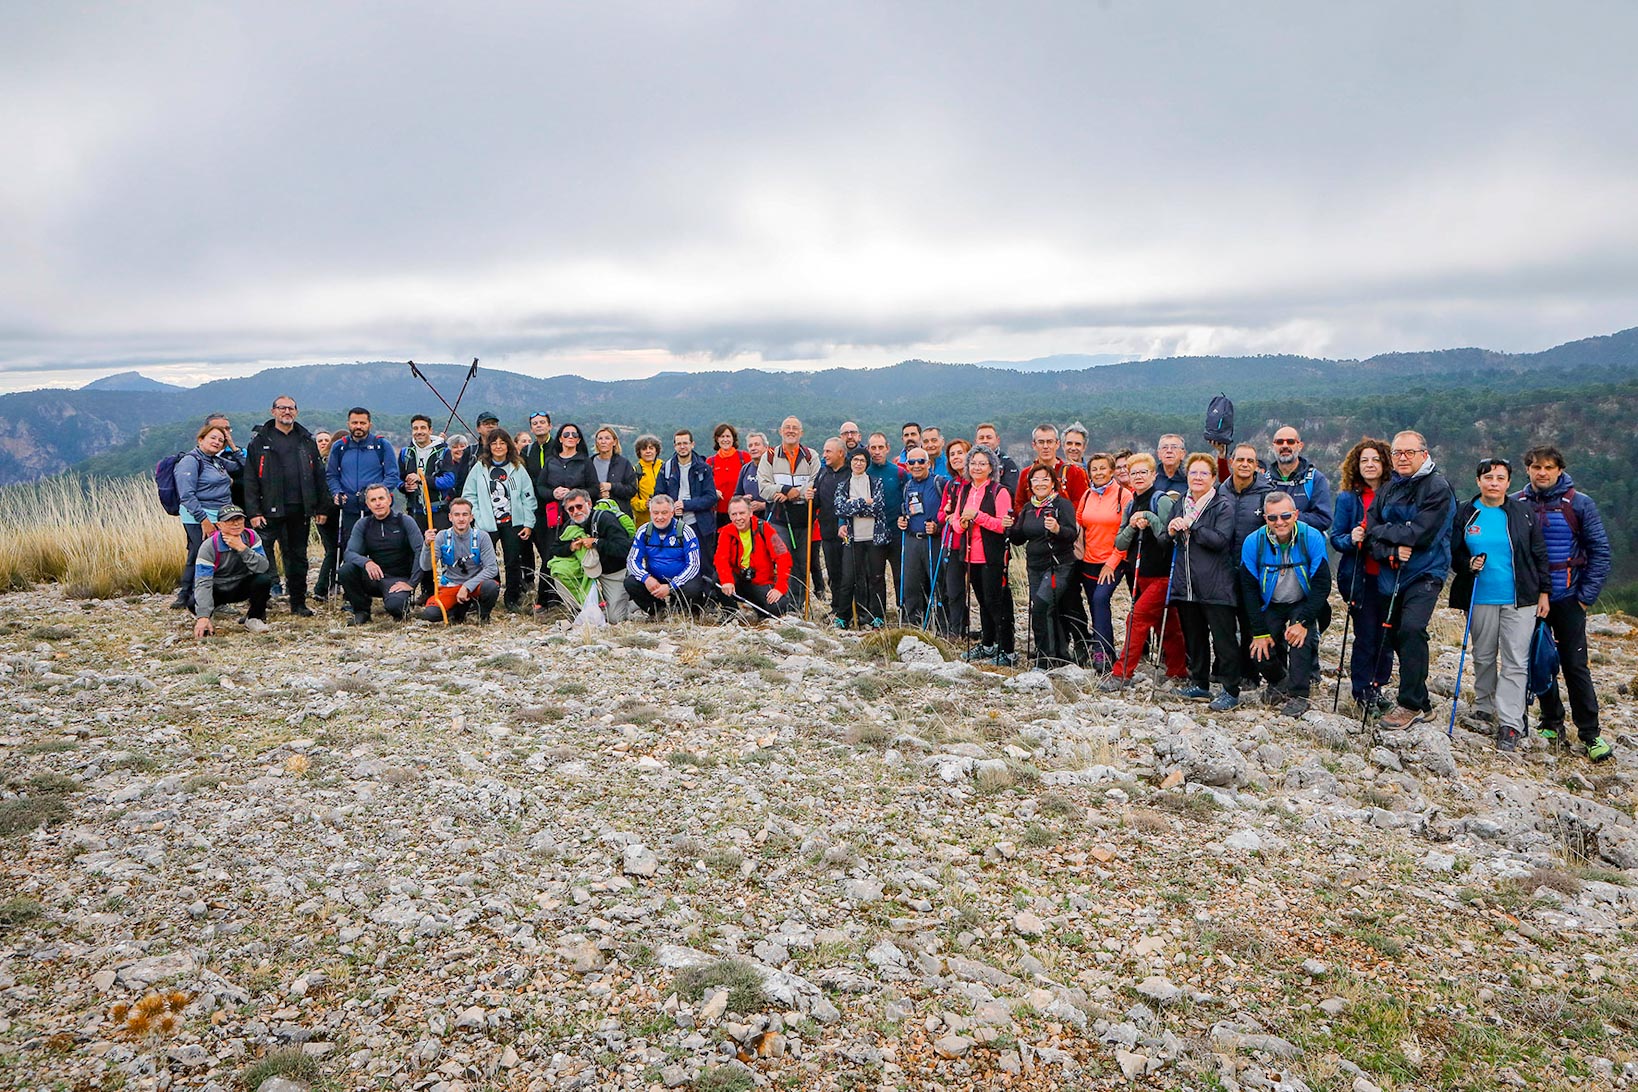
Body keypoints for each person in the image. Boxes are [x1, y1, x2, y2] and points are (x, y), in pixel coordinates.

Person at [1515, 445, 1615, 761]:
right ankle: (1551, 721)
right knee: (1539, 659)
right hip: (1530, 598)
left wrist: (1585, 599)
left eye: (1548, 467)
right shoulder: (1516, 503)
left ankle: (1590, 734)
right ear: (1527, 470)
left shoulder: (1579, 504)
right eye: (1535, 467)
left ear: (1559, 469)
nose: (1541, 472)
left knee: (1575, 666)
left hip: (1569, 597)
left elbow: (1600, 552)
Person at [1449, 458, 1550, 750]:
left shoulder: (1522, 512)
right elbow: (1454, 553)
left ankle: (1510, 722)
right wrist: (1468, 564)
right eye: (1488, 477)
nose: (1494, 482)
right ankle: (1484, 705)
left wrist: (1545, 592)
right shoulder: (1466, 512)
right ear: (1478, 481)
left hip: (1521, 598)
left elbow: (1538, 554)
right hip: (1480, 594)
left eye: (1500, 478)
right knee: (1483, 654)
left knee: (1515, 660)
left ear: (1508, 483)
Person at [1366, 430, 1456, 729]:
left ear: (1424, 455)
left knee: (1412, 629)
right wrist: (1390, 546)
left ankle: (1409, 704)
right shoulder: (1390, 488)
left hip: (1426, 571)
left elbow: (1421, 534)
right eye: (1397, 453)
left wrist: (1387, 531)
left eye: (1409, 453)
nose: (1402, 458)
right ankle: (1423, 700)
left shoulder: (1437, 487)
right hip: (1392, 574)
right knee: (1393, 636)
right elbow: (1370, 530)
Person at [1240, 492, 1333, 717]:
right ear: (1265, 518)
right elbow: (1248, 589)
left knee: (1300, 640)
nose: (1279, 522)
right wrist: (1259, 632)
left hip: (1302, 600)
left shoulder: (1311, 537)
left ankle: (1299, 695)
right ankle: (1279, 681)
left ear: (1296, 515)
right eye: (1272, 518)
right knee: (1258, 648)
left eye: (1285, 516)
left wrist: (1303, 622)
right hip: (1271, 602)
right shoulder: (1254, 542)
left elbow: (1321, 584)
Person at [1161, 453, 1241, 710]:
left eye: (1204, 473)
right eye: (1193, 473)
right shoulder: (1181, 503)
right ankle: (1200, 685)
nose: (1197, 478)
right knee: (1194, 637)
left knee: (1223, 639)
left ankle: (1231, 690)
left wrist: (1192, 526)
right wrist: (1171, 530)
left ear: (1214, 478)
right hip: (1187, 586)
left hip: (1216, 585)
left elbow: (1220, 540)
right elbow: (1165, 539)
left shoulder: (1222, 505)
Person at [1102, 453, 1186, 687]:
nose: (1138, 477)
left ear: (1153, 475)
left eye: (1143, 472)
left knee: (1136, 618)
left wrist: (1149, 518)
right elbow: (1119, 543)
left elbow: (1168, 538)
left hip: (1162, 574)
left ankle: (1121, 674)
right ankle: (1179, 669)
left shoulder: (1161, 501)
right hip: (1142, 574)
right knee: (1166, 625)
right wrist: (1131, 525)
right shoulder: (1130, 504)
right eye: (1134, 473)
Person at [241, 396, 328, 618]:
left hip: (300, 509)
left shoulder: (306, 440)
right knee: (261, 557)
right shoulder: (259, 441)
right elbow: (250, 479)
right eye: (282, 408)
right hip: (268, 509)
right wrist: (253, 512)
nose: (286, 411)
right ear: (273, 411)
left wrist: (321, 508)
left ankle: (298, 602)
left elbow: (319, 476)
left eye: (290, 408)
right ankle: (259, 603)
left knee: (298, 557)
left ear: (296, 412)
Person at [1329, 438, 1395, 712]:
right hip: (1361, 577)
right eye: (1364, 460)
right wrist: (1351, 537)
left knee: (1386, 636)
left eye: (1375, 460)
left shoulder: (1395, 495)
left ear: (1385, 464)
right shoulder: (1348, 498)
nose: (1369, 465)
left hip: (1390, 576)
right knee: (1366, 634)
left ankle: (1379, 684)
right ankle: (1361, 689)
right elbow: (1336, 538)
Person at [949, 447, 1015, 664]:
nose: (977, 467)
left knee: (996, 603)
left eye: (982, 464)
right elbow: (957, 525)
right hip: (970, 555)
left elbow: (1002, 526)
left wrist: (978, 516)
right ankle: (987, 644)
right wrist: (963, 522)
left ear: (991, 468)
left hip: (992, 556)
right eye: (973, 463)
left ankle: (1007, 650)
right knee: (982, 602)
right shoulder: (965, 490)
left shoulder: (999, 491)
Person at [1010, 464, 1079, 667]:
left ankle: (1044, 660)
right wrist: (1009, 528)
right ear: (1030, 484)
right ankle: (1058, 654)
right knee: (1047, 609)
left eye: (1045, 479)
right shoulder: (1028, 508)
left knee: (1041, 607)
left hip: (1059, 565)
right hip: (1034, 566)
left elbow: (1071, 534)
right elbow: (1018, 539)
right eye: (1035, 480)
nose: (1040, 483)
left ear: (1053, 482)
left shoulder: (1062, 505)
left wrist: (1058, 529)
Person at [1217, 442, 1275, 685]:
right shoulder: (1220, 491)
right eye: (1240, 460)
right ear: (1231, 462)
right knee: (1223, 623)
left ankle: (1251, 673)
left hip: (1253, 570)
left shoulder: (1266, 493)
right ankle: (1224, 669)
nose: (1244, 465)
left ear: (1256, 466)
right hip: (1223, 568)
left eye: (1250, 461)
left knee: (1250, 622)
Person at [461, 427, 537, 612]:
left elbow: (528, 497)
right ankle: (488, 597)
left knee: (512, 561)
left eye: (502, 443)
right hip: (487, 523)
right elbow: (469, 494)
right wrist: (477, 516)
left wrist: (528, 523)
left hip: (513, 522)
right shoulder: (480, 467)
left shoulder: (517, 467)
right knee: (486, 562)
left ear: (508, 445)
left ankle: (512, 599)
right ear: (489, 446)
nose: (498, 446)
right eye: (494, 443)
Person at [171, 423, 240, 611]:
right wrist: (204, 521)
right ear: (200, 439)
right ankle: (201, 601)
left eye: (221, 440)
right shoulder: (190, 461)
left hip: (218, 515)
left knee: (205, 556)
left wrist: (233, 447)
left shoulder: (215, 461)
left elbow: (241, 466)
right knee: (204, 557)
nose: (217, 442)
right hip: (199, 517)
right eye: (213, 438)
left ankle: (193, 597)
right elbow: (186, 495)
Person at [532, 422, 598, 607]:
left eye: (574, 435)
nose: (570, 437)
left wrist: (574, 493)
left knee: (576, 552)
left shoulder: (585, 462)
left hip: (577, 518)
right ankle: (545, 599)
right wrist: (553, 493)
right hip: (553, 517)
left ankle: (579, 598)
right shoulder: (552, 462)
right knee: (549, 555)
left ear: (578, 440)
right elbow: (540, 487)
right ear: (560, 438)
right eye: (566, 434)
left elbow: (594, 489)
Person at [340, 484, 427, 624]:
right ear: (368, 504)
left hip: (398, 579)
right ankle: (361, 611)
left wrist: (412, 583)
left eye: (381, 498)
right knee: (346, 569)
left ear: (389, 500)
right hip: (374, 577)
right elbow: (349, 553)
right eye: (373, 500)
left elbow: (421, 552)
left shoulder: (404, 521)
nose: (378, 503)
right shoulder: (363, 524)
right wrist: (366, 562)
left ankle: (400, 603)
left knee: (396, 609)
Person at [1077, 452, 1132, 671]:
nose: (1098, 473)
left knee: (1100, 599)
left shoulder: (1123, 495)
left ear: (1111, 471)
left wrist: (1113, 561)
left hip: (1114, 560)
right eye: (1094, 469)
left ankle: (1101, 653)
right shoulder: (1087, 495)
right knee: (1094, 604)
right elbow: (1079, 521)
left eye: (1103, 468)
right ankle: (1106, 649)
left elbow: (1128, 531)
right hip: (1089, 559)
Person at [758, 417, 822, 603]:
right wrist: (784, 490)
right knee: (783, 559)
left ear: (801, 433)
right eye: (787, 428)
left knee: (803, 563)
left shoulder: (812, 456)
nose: (791, 431)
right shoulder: (769, 457)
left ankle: (799, 603)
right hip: (779, 518)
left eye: (795, 428)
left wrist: (794, 494)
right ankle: (783, 601)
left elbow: (815, 485)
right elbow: (763, 487)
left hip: (804, 519)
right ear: (780, 431)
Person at [547, 488, 634, 621]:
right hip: (587, 573)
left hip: (613, 572)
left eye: (579, 506)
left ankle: (634, 603)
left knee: (616, 618)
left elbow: (624, 548)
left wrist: (596, 542)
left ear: (589, 504)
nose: (576, 511)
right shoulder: (570, 525)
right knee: (559, 571)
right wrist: (570, 547)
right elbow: (554, 549)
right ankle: (579, 610)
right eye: (571, 509)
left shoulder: (605, 519)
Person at [191, 504, 273, 638]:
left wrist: (242, 548)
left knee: (263, 580)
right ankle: (207, 618)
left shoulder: (252, 537)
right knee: (192, 601)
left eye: (239, 519)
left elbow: (263, 567)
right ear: (219, 525)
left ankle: (254, 618)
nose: (236, 524)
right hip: (217, 589)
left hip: (241, 586)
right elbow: (203, 581)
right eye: (230, 520)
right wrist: (203, 615)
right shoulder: (208, 546)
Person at [624, 495, 712, 617]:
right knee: (630, 582)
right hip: (655, 579)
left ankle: (685, 611)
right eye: (655, 513)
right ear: (650, 512)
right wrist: (646, 578)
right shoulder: (643, 531)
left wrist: (671, 587)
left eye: (664, 513)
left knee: (693, 588)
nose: (660, 517)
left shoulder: (685, 531)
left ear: (672, 513)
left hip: (681, 580)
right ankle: (658, 611)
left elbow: (694, 565)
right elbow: (632, 561)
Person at [326, 407, 400, 550]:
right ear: (348, 424)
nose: (358, 426)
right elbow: (332, 475)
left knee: (378, 547)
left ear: (369, 425)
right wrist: (337, 492)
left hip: (376, 509)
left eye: (362, 423)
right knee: (351, 547)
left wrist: (377, 494)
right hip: (349, 508)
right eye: (354, 423)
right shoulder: (340, 446)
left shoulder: (382, 445)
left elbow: (392, 475)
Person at [419, 497, 501, 624]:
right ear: (450, 517)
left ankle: (483, 616)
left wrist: (467, 587)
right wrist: (426, 545)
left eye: (465, 514)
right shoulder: (441, 536)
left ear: (471, 517)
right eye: (456, 515)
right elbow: (426, 566)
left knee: (491, 587)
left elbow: (492, 568)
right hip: (451, 585)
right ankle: (457, 611)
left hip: (475, 585)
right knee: (430, 613)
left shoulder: (482, 537)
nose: (461, 519)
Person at [714, 495, 793, 618]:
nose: (738, 518)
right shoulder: (726, 532)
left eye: (742, 513)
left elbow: (783, 557)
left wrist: (780, 587)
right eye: (734, 514)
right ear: (729, 516)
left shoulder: (765, 528)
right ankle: (730, 613)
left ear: (750, 512)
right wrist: (727, 581)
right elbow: (720, 559)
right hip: (738, 581)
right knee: (717, 578)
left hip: (761, 582)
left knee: (778, 605)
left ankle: (761, 611)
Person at [834, 450, 888, 628]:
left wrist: (853, 502)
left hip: (874, 537)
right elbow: (840, 509)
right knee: (848, 578)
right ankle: (843, 617)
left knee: (876, 578)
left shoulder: (875, 482)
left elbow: (878, 508)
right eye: (855, 460)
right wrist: (866, 502)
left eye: (862, 460)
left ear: (867, 463)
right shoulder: (843, 485)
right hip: (852, 537)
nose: (858, 463)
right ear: (850, 462)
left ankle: (878, 615)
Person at [898, 446, 943, 630]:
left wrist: (938, 528)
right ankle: (912, 625)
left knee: (938, 584)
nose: (916, 465)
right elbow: (907, 510)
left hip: (934, 540)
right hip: (912, 540)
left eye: (921, 461)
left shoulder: (940, 483)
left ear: (928, 464)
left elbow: (949, 512)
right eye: (912, 462)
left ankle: (941, 625)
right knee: (911, 584)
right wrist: (903, 521)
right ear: (907, 465)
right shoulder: (908, 486)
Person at [936, 438, 973, 639]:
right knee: (953, 590)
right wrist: (949, 514)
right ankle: (956, 631)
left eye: (960, 453)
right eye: (952, 454)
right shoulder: (951, 485)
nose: (956, 457)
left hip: (973, 545)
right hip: (952, 543)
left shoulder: (975, 484)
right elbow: (941, 515)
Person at [866, 433, 907, 611]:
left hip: (897, 532)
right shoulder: (865, 473)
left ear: (888, 448)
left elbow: (909, 497)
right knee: (875, 576)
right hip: (873, 534)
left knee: (900, 575)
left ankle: (903, 610)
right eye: (873, 448)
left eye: (880, 447)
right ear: (868, 449)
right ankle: (877, 613)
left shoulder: (899, 473)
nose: (877, 452)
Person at [656, 429, 719, 541]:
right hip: (673, 524)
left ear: (692, 445)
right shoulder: (666, 468)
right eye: (679, 444)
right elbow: (659, 496)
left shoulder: (703, 468)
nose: (682, 447)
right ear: (675, 446)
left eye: (685, 443)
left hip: (700, 526)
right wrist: (672, 508)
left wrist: (686, 505)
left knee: (701, 558)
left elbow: (711, 497)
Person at [1267, 426, 1334, 532]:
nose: (1285, 446)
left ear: (1300, 446)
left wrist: (1289, 518)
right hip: (1270, 545)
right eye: (1279, 442)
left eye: (1290, 441)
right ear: (1273, 446)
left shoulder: (1315, 479)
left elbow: (1324, 519)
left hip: (1305, 545)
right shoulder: (1264, 481)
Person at [810, 437, 849, 615]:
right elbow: (816, 502)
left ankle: (853, 609)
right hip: (827, 532)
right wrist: (810, 497)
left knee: (849, 573)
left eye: (828, 451)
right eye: (824, 451)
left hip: (848, 533)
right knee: (833, 573)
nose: (824, 455)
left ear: (840, 453)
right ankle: (837, 608)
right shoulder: (822, 473)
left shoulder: (851, 473)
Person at [1015, 424, 1088, 508]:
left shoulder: (1074, 472)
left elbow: (1081, 503)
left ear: (1057, 444)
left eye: (1049, 442)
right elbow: (1019, 504)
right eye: (1041, 442)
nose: (1045, 446)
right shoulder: (1026, 474)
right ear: (1034, 445)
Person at [310, 430, 342, 602]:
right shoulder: (327, 464)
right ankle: (322, 587)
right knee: (334, 551)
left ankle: (329, 584)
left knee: (335, 551)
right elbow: (322, 490)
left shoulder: (323, 460)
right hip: (329, 512)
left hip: (328, 512)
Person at [707, 423, 751, 534]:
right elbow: (706, 486)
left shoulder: (744, 457)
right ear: (717, 439)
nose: (725, 439)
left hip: (740, 513)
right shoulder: (710, 462)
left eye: (728, 436)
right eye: (722, 437)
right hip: (719, 513)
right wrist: (713, 491)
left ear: (733, 439)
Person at [590, 426, 639, 518]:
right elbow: (584, 489)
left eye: (607, 438)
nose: (603, 442)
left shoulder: (624, 464)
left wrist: (612, 487)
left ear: (614, 442)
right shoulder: (590, 463)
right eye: (600, 438)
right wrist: (598, 493)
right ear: (596, 442)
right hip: (595, 514)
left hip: (619, 515)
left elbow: (632, 490)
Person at [974, 424, 1021, 495]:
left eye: (989, 438)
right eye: (981, 438)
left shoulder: (1007, 463)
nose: (985, 441)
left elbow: (1011, 491)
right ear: (976, 441)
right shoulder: (970, 463)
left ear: (997, 440)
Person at [734, 432, 769, 516]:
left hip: (771, 519)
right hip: (749, 519)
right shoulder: (745, 469)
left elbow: (782, 496)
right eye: (750, 446)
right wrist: (742, 499)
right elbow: (736, 496)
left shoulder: (774, 468)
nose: (753, 448)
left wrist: (763, 505)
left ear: (766, 447)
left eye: (757, 445)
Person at [632, 435, 664, 525]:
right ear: (639, 452)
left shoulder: (665, 467)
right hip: (644, 522)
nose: (648, 451)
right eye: (644, 449)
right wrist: (644, 504)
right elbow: (632, 499)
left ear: (656, 450)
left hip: (665, 518)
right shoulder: (635, 471)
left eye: (651, 448)